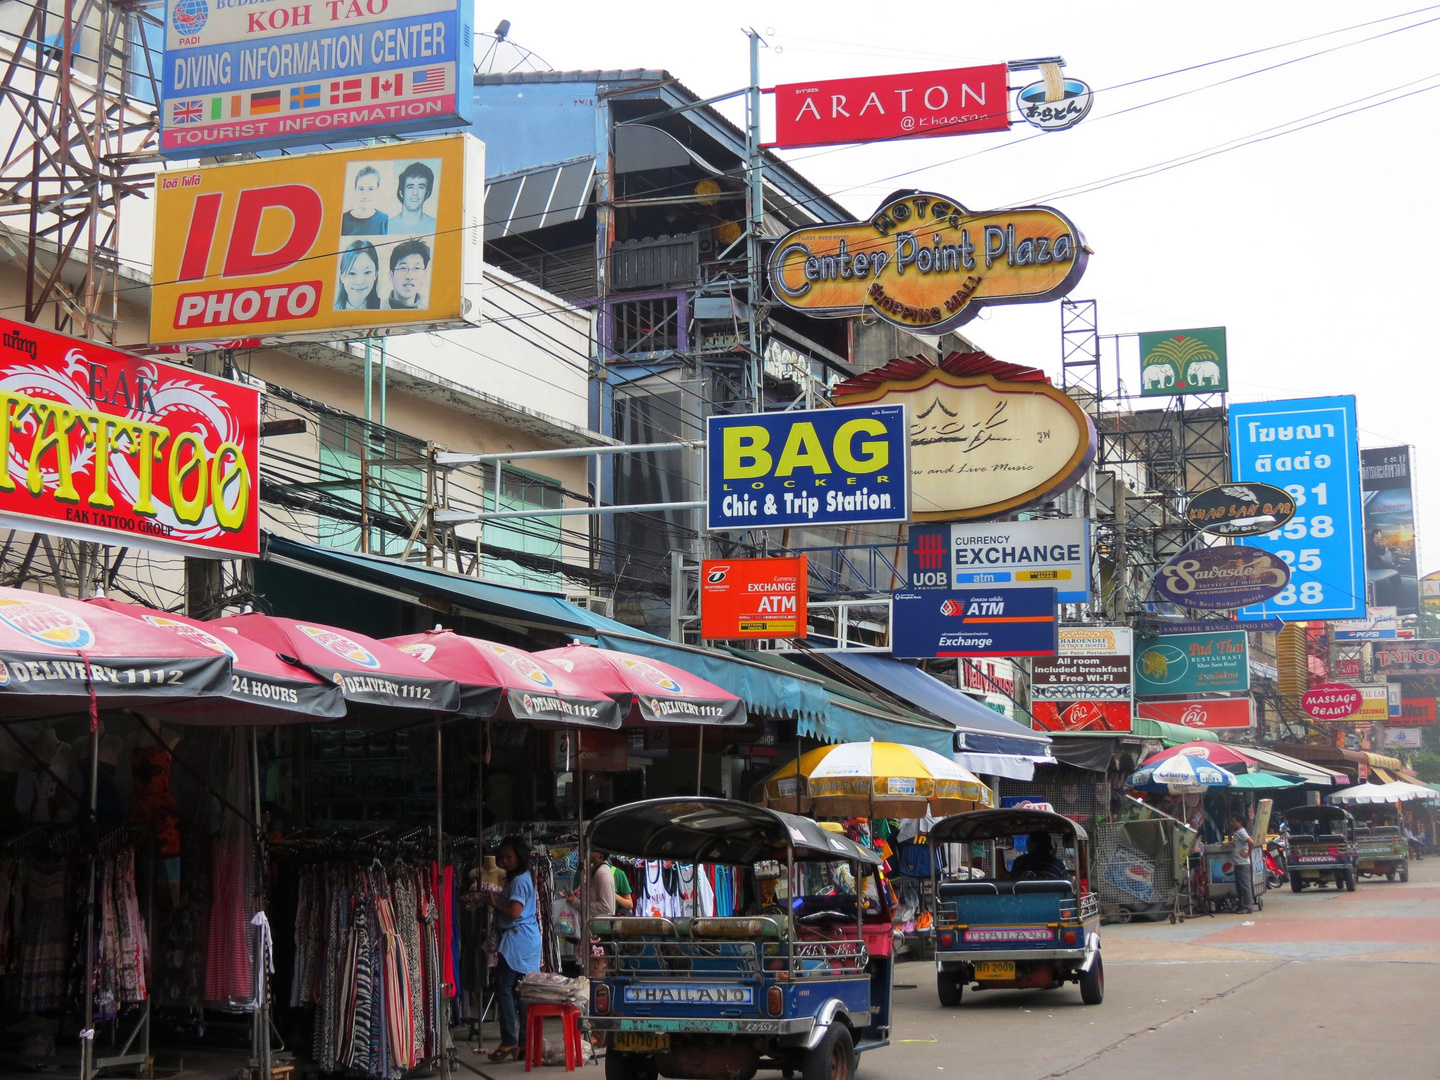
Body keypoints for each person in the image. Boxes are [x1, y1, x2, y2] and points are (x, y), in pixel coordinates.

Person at [487, 836, 541, 1062]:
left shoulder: (518, 881)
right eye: (502, 857)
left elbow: (515, 912)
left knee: (504, 988)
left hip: (517, 941)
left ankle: (509, 1040)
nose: (505, 861)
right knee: (522, 992)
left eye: (509, 857)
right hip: (528, 939)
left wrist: (495, 905)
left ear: (519, 857)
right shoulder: (525, 877)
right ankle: (523, 1043)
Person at [388, 161, 437, 234]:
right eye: (410, 187)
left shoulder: (434, 226)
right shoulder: (388, 226)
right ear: (401, 193)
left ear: (427, 193)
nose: (415, 193)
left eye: (421, 187)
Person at [341, 166, 388, 235]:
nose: (365, 195)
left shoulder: (385, 220)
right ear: (355, 189)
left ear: (377, 190)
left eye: (371, 189)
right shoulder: (343, 220)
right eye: (361, 189)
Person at [384, 239, 430, 309]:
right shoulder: (376, 310)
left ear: (424, 274)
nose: (410, 276)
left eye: (416, 268)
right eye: (403, 268)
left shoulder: (430, 315)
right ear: (391, 276)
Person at [335, 241, 381, 310]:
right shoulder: (328, 311)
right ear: (341, 276)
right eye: (352, 273)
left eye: (367, 272)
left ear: (376, 274)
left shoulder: (385, 307)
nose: (359, 282)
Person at [1230, 816, 1255, 914]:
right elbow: (1237, 844)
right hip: (1238, 863)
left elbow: (1251, 842)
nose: (1232, 823)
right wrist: (1229, 844)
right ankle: (1242, 906)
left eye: (1234, 821)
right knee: (1240, 886)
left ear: (1239, 822)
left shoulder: (1241, 832)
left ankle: (1247, 907)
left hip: (1242, 863)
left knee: (1244, 886)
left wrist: (1248, 853)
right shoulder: (1238, 833)